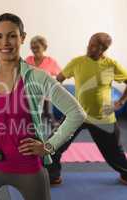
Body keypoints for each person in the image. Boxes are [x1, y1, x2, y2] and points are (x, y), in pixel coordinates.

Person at [0, 13, 86, 200]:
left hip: (28, 169)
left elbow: (77, 113)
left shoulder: (38, 77)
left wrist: (49, 146)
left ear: (22, 38)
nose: (5, 42)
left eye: (12, 35)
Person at [47, 32, 127, 186]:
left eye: (94, 46)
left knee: (114, 154)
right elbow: (58, 80)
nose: (89, 47)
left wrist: (121, 101)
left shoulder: (111, 65)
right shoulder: (77, 62)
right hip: (76, 114)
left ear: (103, 49)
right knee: (53, 144)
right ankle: (53, 175)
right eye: (89, 43)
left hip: (102, 117)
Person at [25, 35, 61, 128]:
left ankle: (58, 138)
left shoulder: (50, 61)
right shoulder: (28, 60)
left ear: (44, 47)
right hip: (31, 94)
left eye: (37, 47)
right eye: (32, 47)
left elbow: (60, 77)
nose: (34, 50)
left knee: (49, 116)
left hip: (45, 95)